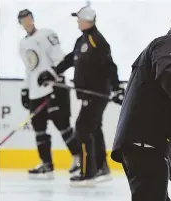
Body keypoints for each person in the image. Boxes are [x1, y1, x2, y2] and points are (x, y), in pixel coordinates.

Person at [111, 8, 171, 201]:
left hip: (149, 144)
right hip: (144, 144)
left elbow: (160, 113)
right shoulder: (169, 42)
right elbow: (169, 74)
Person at [38, 6, 124, 185]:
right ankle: (102, 168)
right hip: (86, 94)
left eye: (79, 19)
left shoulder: (97, 41)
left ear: (87, 20)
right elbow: (70, 60)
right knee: (93, 128)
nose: (77, 21)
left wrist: (117, 88)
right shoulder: (82, 40)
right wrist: (52, 73)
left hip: (96, 93)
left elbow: (110, 66)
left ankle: (88, 172)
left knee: (82, 128)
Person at [18, 9, 80, 178]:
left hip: (54, 87)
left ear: (33, 19)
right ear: (20, 24)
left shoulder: (47, 35)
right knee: (39, 129)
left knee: (63, 126)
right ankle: (46, 164)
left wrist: (53, 75)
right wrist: (26, 89)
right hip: (35, 93)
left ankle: (78, 158)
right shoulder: (22, 44)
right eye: (23, 21)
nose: (27, 22)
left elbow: (59, 59)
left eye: (29, 18)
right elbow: (29, 69)